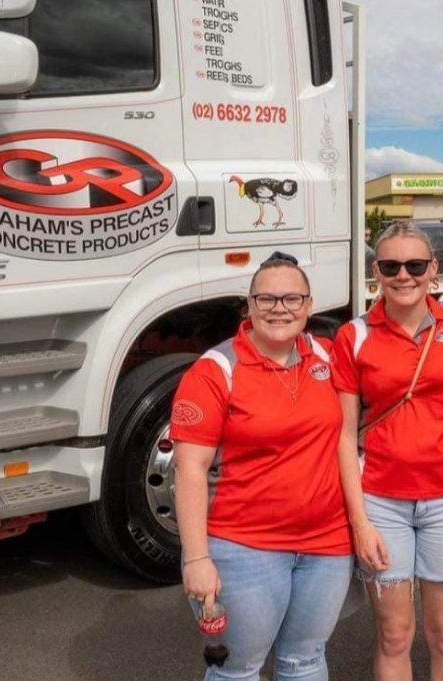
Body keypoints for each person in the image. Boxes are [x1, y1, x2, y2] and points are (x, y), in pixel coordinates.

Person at [171, 254, 354, 681]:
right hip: (243, 548)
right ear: (248, 306)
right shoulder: (215, 371)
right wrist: (197, 558)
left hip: (325, 546)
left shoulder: (326, 357)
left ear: (309, 307)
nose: (279, 308)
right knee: (238, 669)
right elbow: (189, 470)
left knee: (305, 660)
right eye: (266, 298)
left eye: (292, 298)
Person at [332, 221, 443, 681]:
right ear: (377, 271)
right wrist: (359, 522)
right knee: (395, 635)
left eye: (415, 265)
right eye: (391, 265)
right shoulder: (352, 337)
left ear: (433, 270)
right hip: (381, 504)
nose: (403, 275)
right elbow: (342, 434)